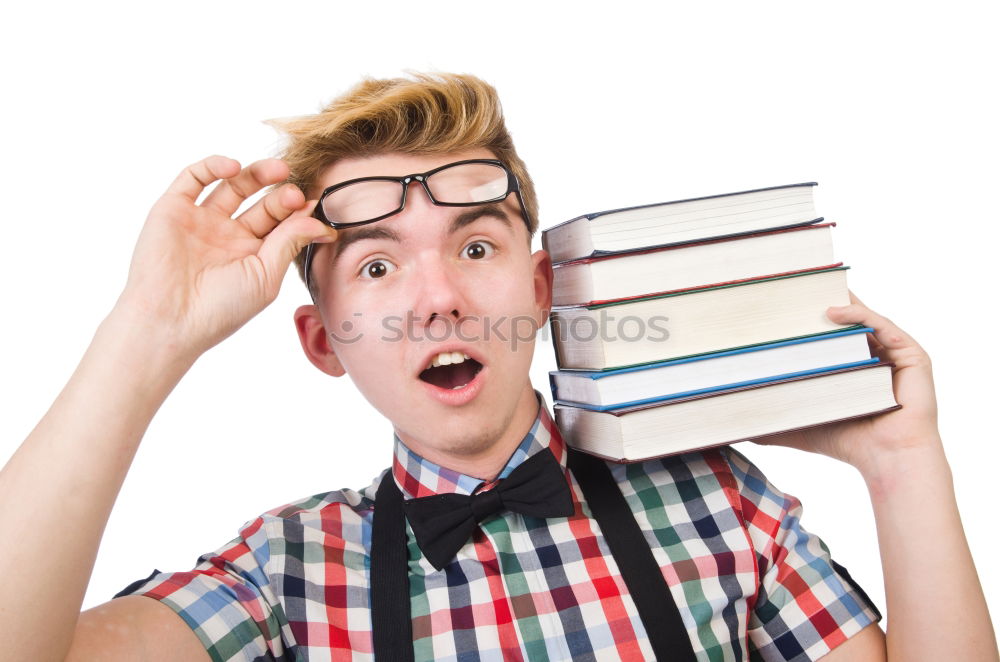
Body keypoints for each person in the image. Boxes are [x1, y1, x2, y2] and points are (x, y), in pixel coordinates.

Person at [0, 72, 995, 662]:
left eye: (474, 247)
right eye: (379, 263)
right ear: (323, 340)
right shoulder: (285, 575)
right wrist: (147, 328)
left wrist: (903, 462)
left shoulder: (721, 503)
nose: (438, 295)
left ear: (542, 285)